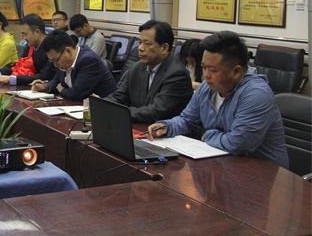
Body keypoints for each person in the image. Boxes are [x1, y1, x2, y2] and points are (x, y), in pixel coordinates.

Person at [146, 31, 288, 168]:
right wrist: (166, 126)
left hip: (262, 173)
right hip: (223, 166)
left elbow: (238, 144)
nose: (206, 75)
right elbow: (188, 120)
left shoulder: (256, 95)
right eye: (204, 67)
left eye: (213, 70)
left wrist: (208, 135)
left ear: (236, 71)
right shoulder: (207, 88)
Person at [105, 20, 193, 123]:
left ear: (164, 48)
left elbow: (156, 112)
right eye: (140, 43)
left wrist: (118, 112)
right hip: (139, 127)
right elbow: (120, 96)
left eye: (147, 44)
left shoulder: (177, 74)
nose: (140, 48)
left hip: (163, 130)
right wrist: (102, 105)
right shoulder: (137, 68)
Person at [32, 30, 116, 100]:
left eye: (55, 60)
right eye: (52, 61)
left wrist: (61, 90)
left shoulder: (89, 60)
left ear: (68, 51)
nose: (55, 65)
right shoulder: (62, 61)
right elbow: (56, 81)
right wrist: (45, 87)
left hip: (103, 110)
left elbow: (76, 93)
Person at [0, 14, 56, 86]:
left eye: (25, 34)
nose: (24, 38)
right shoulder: (30, 46)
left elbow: (44, 76)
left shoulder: (51, 48)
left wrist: (12, 79)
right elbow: (18, 66)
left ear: (37, 32)